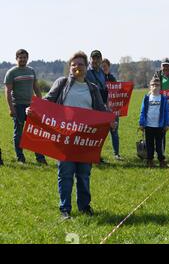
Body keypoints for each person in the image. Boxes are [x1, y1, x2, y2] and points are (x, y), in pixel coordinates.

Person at [37, 51, 116, 220]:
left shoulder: (92, 88)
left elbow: (101, 109)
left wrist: (110, 119)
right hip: (65, 137)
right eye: (74, 64)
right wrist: (35, 109)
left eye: (80, 64)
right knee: (65, 173)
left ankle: (84, 206)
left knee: (83, 174)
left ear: (86, 66)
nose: (77, 67)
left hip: (85, 139)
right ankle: (64, 209)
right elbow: (48, 100)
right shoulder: (62, 83)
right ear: (70, 67)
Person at [4, 49, 47, 165]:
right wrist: (11, 108)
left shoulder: (31, 71)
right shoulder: (11, 72)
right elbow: (7, 92)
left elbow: (36, 88)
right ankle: (20, 158)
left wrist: (40, 103)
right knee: (18, 133)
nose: (22, 59)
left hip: (31, 106)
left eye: (24, 58)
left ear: (27, 58)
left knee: (35, 132)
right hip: (17, 106)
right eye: (20, 57)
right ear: (16, 58)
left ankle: (40, 158)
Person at [139, 78, 169, 168]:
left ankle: (161, 160)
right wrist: (141, 123)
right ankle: (150, 160)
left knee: (159, 145)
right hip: (148, 126)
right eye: (153, 85)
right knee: (149, 144)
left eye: (157, 85)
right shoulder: (146, 98)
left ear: (160, 87)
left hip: (159, 126)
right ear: (150, 86)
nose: (155, 87)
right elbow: (142, 111)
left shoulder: (163, 99)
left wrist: (167, 124)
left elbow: (166, 112)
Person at [101, 58, 122, 161]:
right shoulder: (98, 78)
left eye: (105, 66)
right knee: (100, 133)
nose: (103, 68)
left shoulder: (113, 78)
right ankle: (97, 155)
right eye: (102, 66)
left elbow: (117, 93)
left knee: (114, 131)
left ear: (109, 67)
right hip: (101, 109)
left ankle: (116, 154)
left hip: (113, 109)